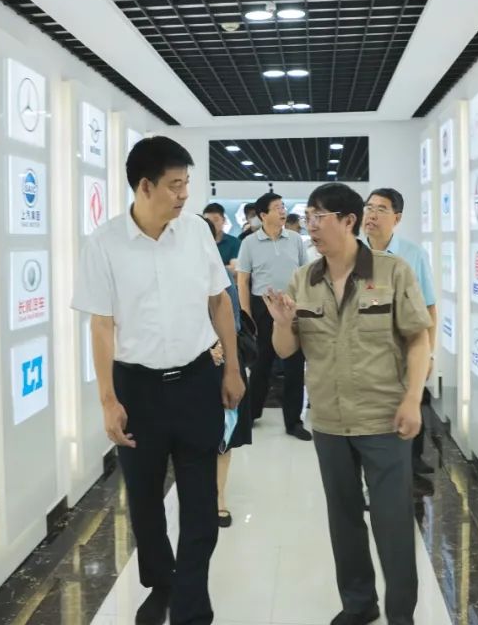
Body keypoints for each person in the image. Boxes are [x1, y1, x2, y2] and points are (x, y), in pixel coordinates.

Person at [72, 136, 245, 625]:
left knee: (201, 505)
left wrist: (232, 368)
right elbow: (101, 326)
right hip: (138, 389)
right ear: (144, 186)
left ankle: (190, 604)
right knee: (145, 502)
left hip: (196, 382)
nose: (184, 194)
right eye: (175, 185)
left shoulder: (195, 233)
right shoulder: (103, 244)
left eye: (187, 183)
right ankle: (161, 582)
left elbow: (219, 301)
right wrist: (107, 400)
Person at [263, 183, 432, 625]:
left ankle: (401, 615)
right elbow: (285, 350)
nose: (311, 226)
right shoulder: (304, 279)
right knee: (344, 518)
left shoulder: (393, 272)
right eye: (308, 217)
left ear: (348, 221)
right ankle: (359, 604)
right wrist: (282, 324)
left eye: (319, 217)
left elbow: (418, 339)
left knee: (393, 523)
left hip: (384, 420)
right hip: (329, 421)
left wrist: (413, 398)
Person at [362, 188, 438, 477]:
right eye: (369, 208)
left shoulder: (413, 255)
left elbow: (429, 306)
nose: (372, 215)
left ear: (397, 217)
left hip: (406, 346)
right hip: (366, 351)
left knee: (411, 401)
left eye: (381, 209)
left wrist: (429, 353)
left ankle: (412, 463)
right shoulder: (352, 253)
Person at [236, 192, 311, 441]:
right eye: (277, 207)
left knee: (294, 365)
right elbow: (243, 281)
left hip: (291, 305)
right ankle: (251, 414)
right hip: (263, 307)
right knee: (261, 364)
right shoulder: (249, 243)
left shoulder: (295, 239)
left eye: (283, 207)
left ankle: (293, 421)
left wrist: (302, 305)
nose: (283, 211)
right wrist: (247, 315)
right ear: (263, 215)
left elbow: (304, 274)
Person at [200, 215, 253, 528]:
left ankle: (219, 499)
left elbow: (232, 323)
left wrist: (219, 349)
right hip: (187, 369)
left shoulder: (220, 277)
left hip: (221, 364)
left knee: (223, 435)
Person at [202, 202, 241, 269]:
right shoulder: (199, 242)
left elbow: (234, 268)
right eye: (208, 221)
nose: (212, 224)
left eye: (216, 220)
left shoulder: (235, 243)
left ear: (223, 220)